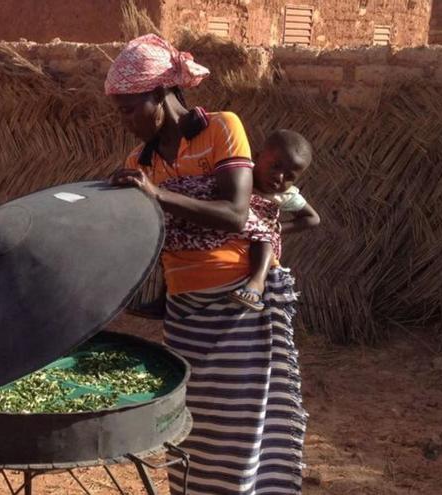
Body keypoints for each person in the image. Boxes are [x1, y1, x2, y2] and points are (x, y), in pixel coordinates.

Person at [106, 34, 308, 495]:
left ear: (159, 94)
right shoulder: (140, 163)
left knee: (239, 433)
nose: (126, 122)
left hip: (239, 303)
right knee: (193, 431)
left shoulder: (221, 128)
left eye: (129, 109)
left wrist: (158, 196)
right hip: (184, 312)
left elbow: (237, 213)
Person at [161, 130, 320, 311]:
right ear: (257, 157)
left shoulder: (286, 195)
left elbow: (313, 218)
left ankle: (256, 283)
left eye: (290, 177)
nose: (279, 177)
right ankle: (163, 297)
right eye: (275, 166)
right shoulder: (240, 173)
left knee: (265, 237)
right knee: (171, 237)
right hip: (225, 225)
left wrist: (280, 228)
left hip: (256, 238)